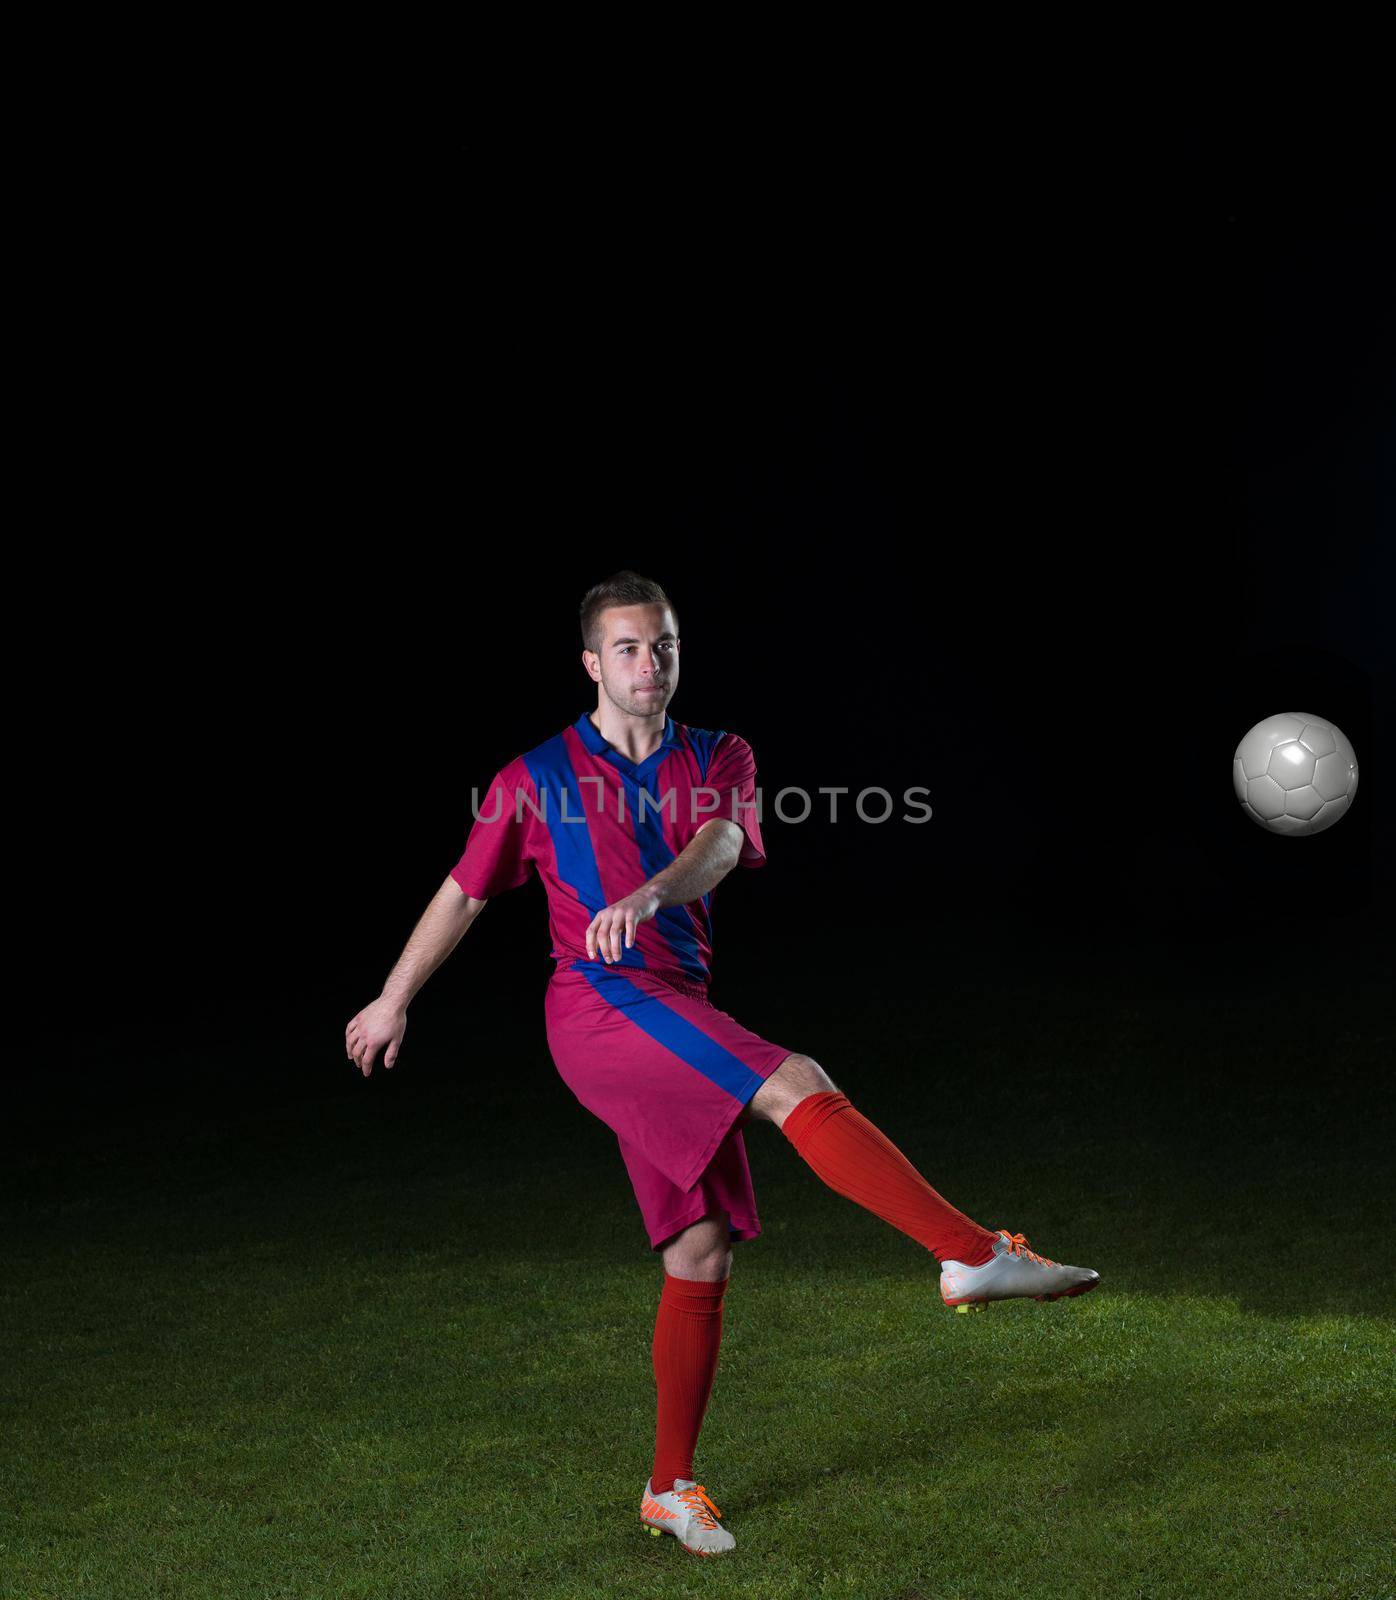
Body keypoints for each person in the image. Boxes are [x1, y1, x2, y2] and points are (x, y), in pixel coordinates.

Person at [345, 570, 1099, 1558]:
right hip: (597, 1005)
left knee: (697, 1250)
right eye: (626, 647)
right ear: (590, 663)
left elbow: (718, 845)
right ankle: (967, 1254)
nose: (647, 663)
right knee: (798, 1080)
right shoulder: (531, 777)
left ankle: (668, 1487)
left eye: (662, 644)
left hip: (672, 1004)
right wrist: (393, 996)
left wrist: (653, 893)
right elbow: (461, 892)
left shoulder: (720, 754)